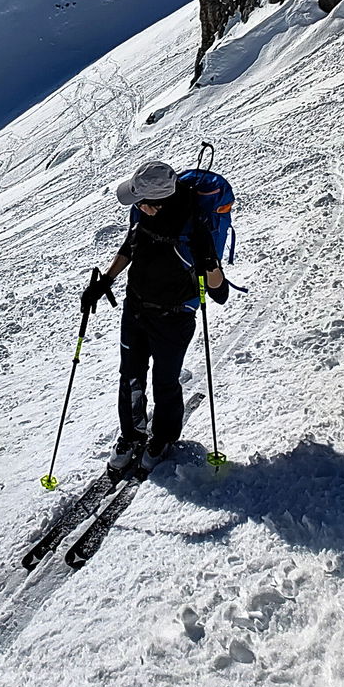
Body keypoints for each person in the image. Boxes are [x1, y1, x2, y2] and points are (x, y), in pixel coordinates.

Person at [79, 160, 229, 473]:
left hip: (174, 319)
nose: (136, 207)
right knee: (130, 376)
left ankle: (162, 438)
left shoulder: (193, 228)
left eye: (140, 202)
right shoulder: (142, 213)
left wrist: (210, 266)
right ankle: (131, 434)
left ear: (156, 204)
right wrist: (105, 281)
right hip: (136, 308)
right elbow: (130, 246)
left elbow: (219, 291)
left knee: (165, 381)